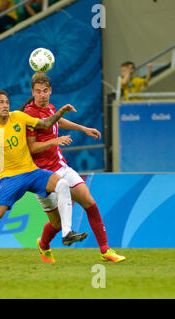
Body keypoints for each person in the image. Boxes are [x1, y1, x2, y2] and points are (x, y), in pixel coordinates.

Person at [0, 90, 87, 264]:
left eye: (7, 102)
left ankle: (67, 232)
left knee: (62, 184)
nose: (5, 105)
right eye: (1, 102)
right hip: (10, 178)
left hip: (31, 172)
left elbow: (45, 124)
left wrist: (59, 113)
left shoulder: (18, 117)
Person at [22, 73, 125, 263]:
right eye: (38, 92)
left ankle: (105, 250)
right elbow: (32, 147)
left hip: (61, 167)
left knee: (89, 202)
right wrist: (56, 140)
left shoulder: (51, 107)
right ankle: (43, 245)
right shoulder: (29, 114)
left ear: (50, 91)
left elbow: (58, 121)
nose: (42, 95)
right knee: (57, 223)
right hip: (42, 176)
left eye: (45, 91)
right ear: (32, 92)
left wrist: (83, 129)